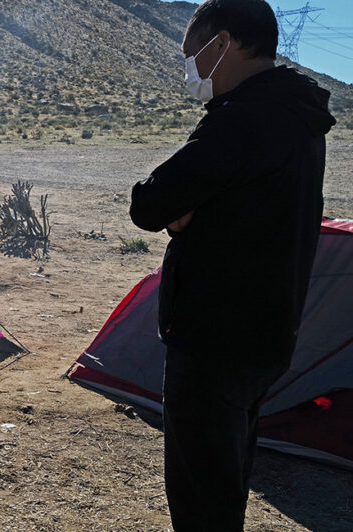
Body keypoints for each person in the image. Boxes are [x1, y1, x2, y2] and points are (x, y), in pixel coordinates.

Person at [129, 1, 335, 529]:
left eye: (192, 53)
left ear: (222, 44)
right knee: (226, 472)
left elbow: (149, 204)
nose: (190, 67)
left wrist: (182, 218)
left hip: (215, 333)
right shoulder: (298, 116)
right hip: (268, 329)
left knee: (202, 491)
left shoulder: (243, 118)